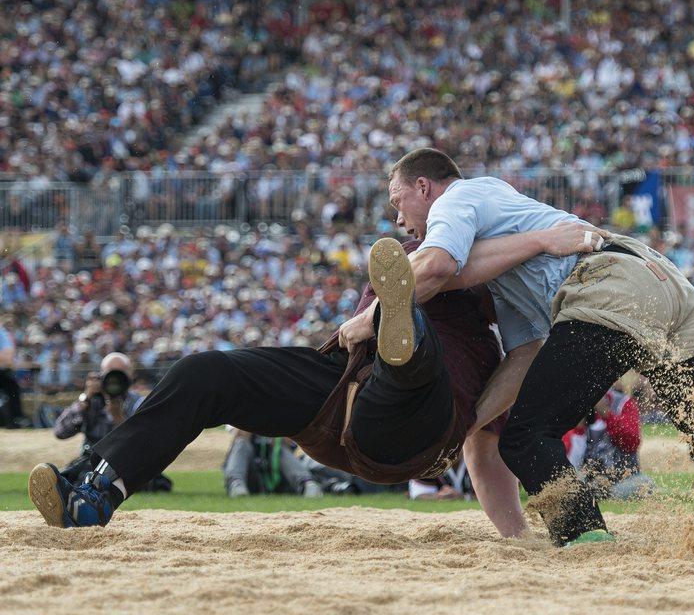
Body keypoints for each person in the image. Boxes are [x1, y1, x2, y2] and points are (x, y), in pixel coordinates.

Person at [360, 148, 694, 547]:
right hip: (662, 286)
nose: (396, 218)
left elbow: (433, 267)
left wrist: (365, 322)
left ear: (425, 187)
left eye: (397, 201)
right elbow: (525, 356)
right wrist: (466, 427)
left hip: (610, 287)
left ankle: (588, 543)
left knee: (527, 438)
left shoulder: (461, 196)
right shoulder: (509, 262)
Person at [28, 225, 598, 536]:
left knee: (413, 353)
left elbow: (486, 445)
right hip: (338, 394)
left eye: (406, 204)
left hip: (413, 428)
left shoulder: (487, 338)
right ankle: (94, 490)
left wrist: (515, 535)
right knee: (204, 372)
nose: (400, 221)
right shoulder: (397, 272)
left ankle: (402, 334)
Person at [51, 353, 173, 490]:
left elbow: (148, 445)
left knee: (153, 480)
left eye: (120, 375)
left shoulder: (139, 403)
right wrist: (84, 400)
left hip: (128, 463)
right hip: (92, 462)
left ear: (130, 376)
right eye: (110, 375)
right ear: (101, 377)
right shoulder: (91, 401)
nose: (115, 381)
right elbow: (60, 432)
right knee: (68, 477)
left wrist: (119, 419)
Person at [222, 431, 323, 498]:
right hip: (251, 473)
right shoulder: (239, 409)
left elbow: (289, 443)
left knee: (280, 449)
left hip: (279, 474)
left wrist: (279, 431)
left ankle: (308, 484)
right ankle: (236, 484)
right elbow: (237, 439)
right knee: (241, 443)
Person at [0, 317, 26, 429]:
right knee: (12, 388)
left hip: (2, 371)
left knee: (12, 388)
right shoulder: (3, 333)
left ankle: (16, 419)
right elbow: (7, 355)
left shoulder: (2, 333)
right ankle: (16, 419)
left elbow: (8, 356)